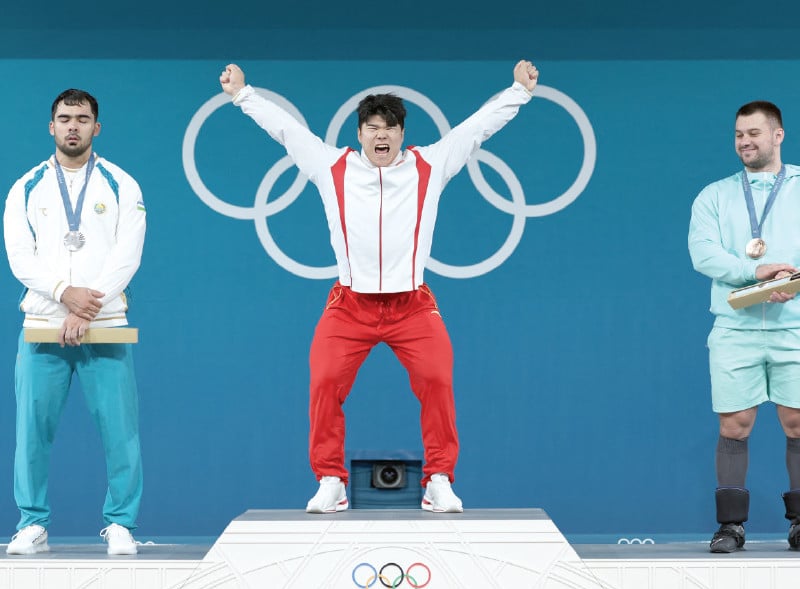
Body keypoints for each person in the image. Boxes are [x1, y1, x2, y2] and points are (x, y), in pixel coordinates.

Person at [220, 60, 538, 513]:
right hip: (349, 305)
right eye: (372, 128)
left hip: (412, 305)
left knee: (437, 380)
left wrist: (519, 93)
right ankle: (330, 478)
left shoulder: (431, 165)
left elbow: (476, 129)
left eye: (389, 127)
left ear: (402, 133)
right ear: (360, 134)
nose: (381, 136)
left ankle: (439, 479)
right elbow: (287, 131)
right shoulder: (332, 167)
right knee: (325, 381)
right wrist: (242, 94)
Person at [2, 89, 146, 554]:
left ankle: (122, 523)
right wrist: (65, 296)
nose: (73, 126)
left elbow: (128, 254)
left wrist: (87, 310)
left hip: (105, 325)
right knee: (32, 432)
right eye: (64, 118)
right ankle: (32, 523)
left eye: (82, 119)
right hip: (43, 326)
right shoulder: (25, 187)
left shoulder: (122, 184)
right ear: (51, 126)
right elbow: (19, 257)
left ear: (96, 128)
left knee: (119, 432)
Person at [689, 100, 800, 553]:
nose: (745, 142)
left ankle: (799, 523)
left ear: (778, 136)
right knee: (735, 425)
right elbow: (703, 254)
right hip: (735, 328)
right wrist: (755, 273)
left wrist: (790, 279)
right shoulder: (715, 195)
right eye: (738, 134)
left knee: (797, 421)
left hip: (794, 324)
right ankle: (731, 527)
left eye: (754, 133)